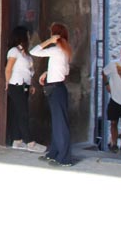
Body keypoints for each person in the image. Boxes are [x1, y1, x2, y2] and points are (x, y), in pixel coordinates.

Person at [30, 23, 74, 167]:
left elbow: (34, 51)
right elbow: (65, 71)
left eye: (52, 33)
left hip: (56, 89)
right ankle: (54, 153)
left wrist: (49, 42)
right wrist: (48, 73)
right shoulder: (65, 51)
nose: (50, 35)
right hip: (57, 87)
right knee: (57, 122)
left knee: (60, 124)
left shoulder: (56, 50)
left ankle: (65, 158)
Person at [4, 26, 46, 153]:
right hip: (16, 85)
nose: (29, 38)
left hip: (25, 85)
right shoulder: (13, 51)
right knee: (23, 114)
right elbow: (8, 68)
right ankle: (29, 142)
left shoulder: (26, 54)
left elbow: (28, 71)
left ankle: (17, 140)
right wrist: (7, 82)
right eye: (27, 35)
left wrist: (31, 84)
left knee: (19, 113)